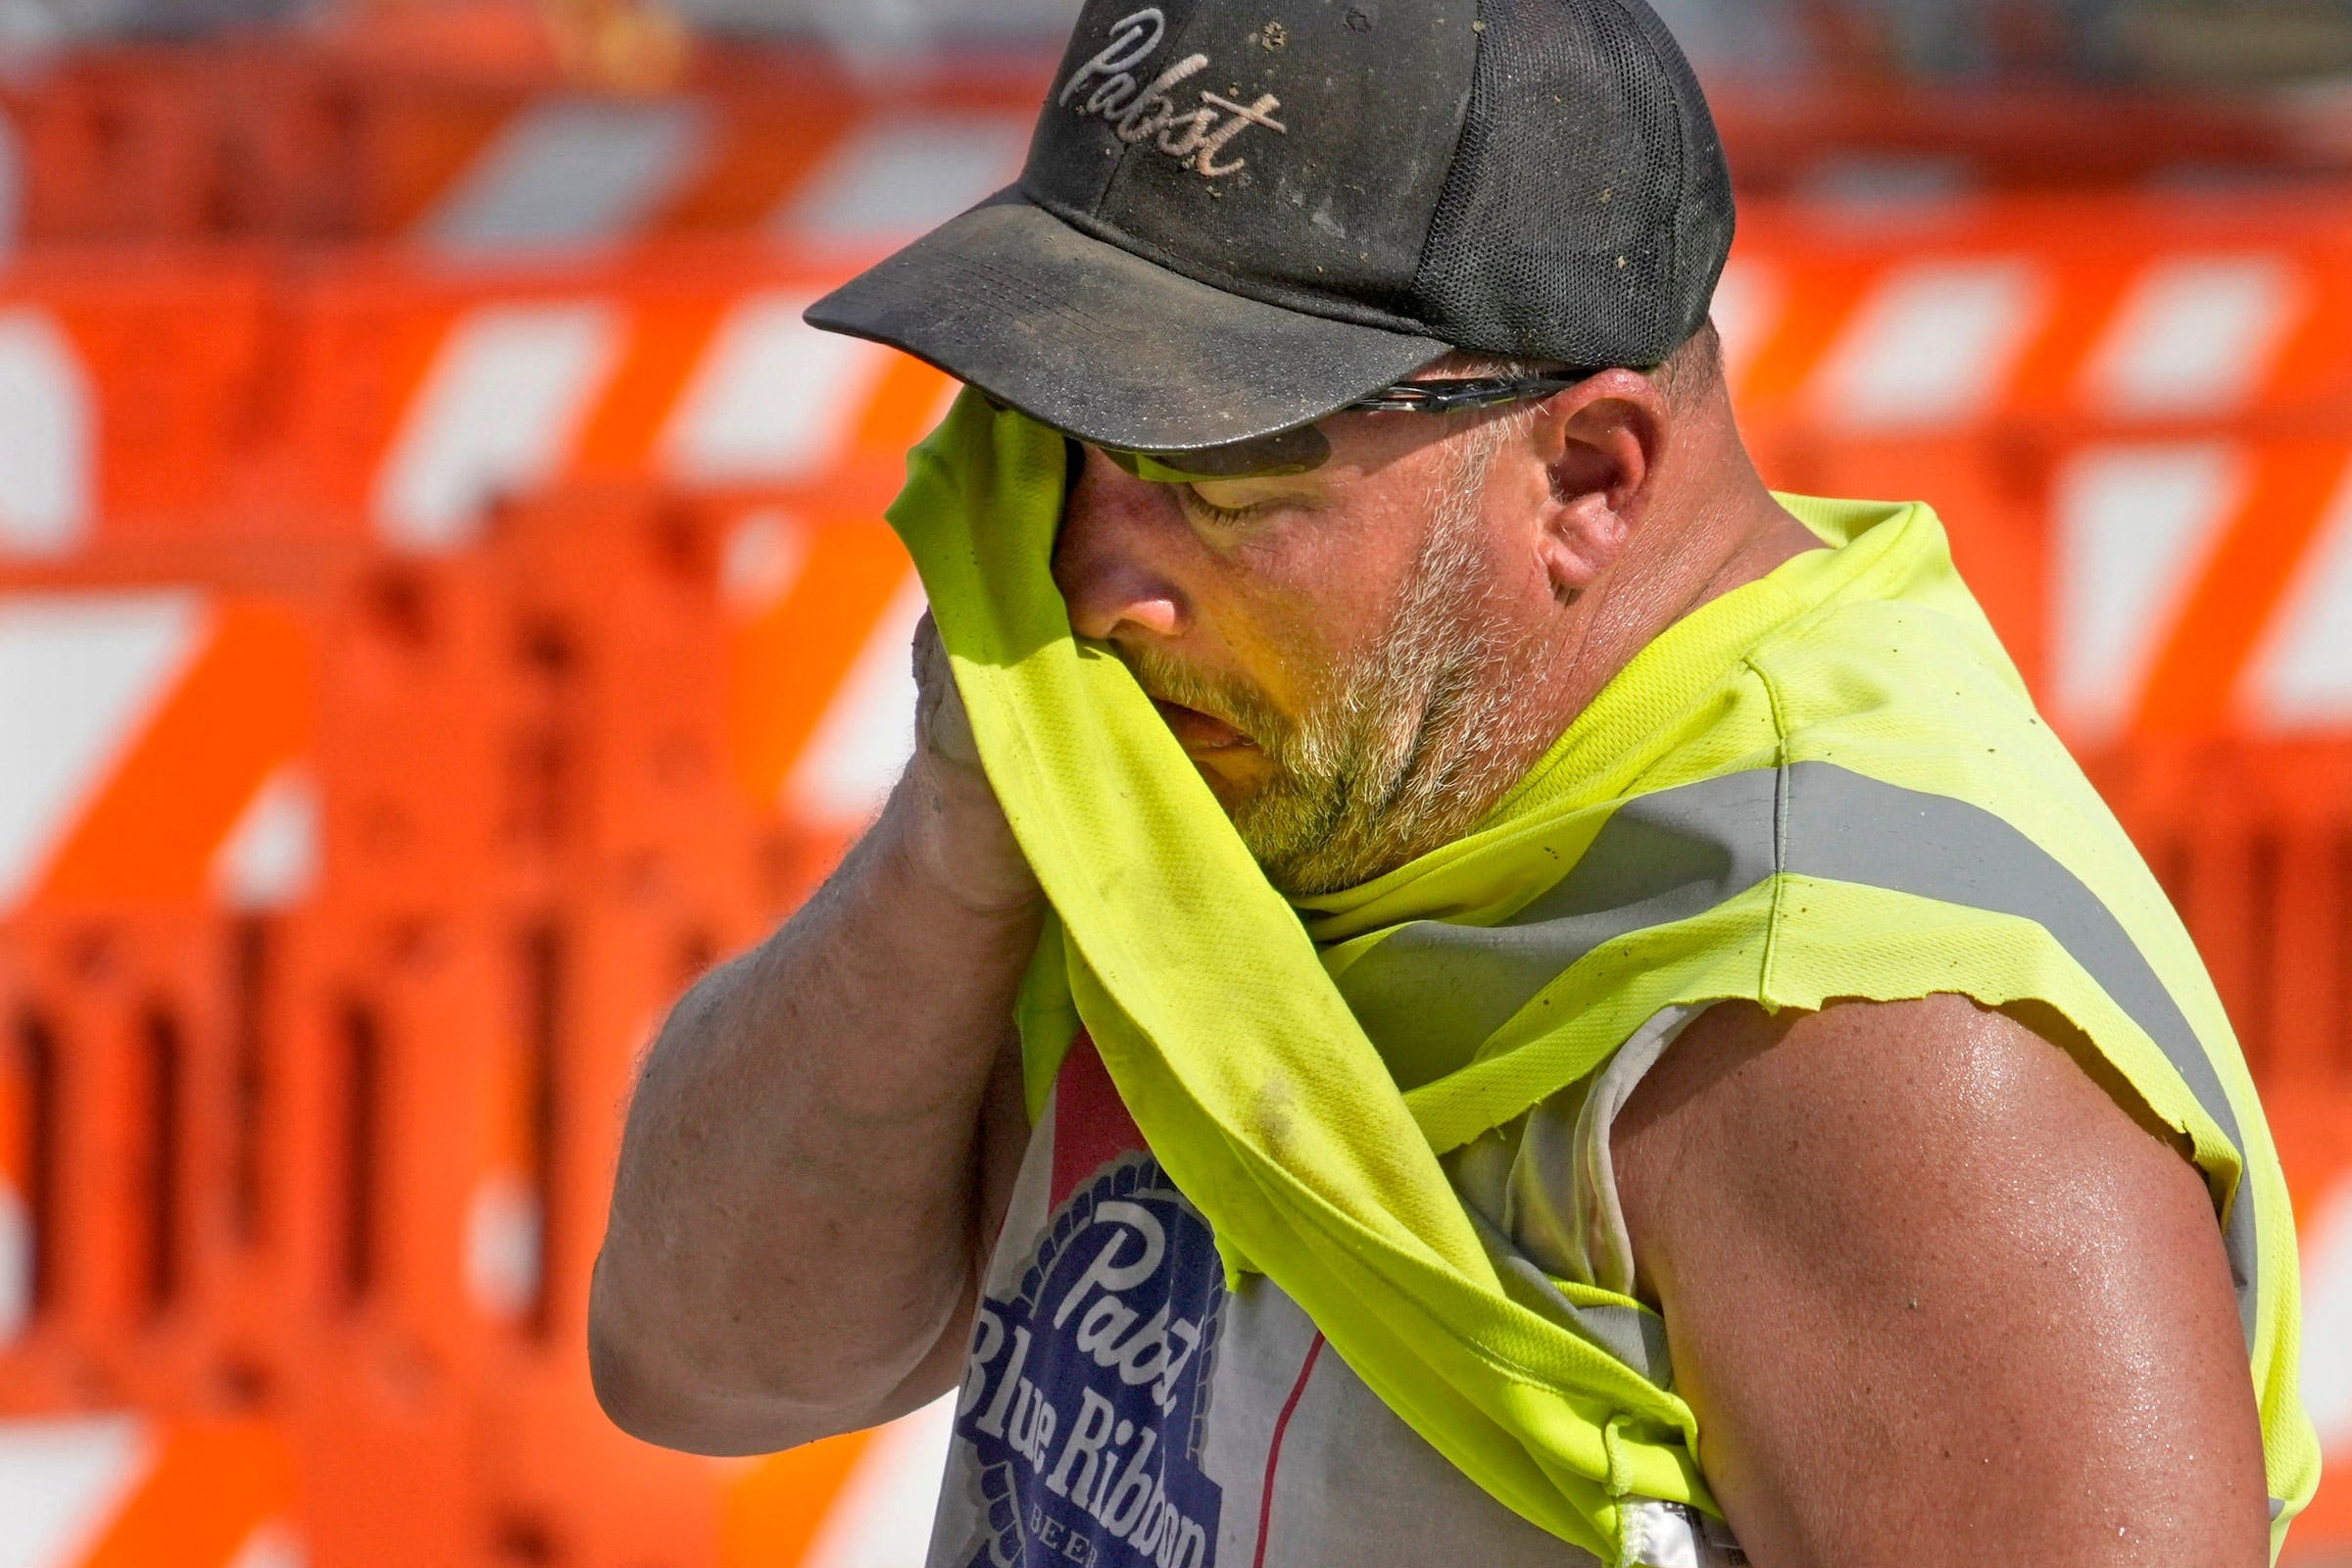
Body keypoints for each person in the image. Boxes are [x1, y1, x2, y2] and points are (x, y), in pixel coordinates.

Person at [586, 1, 2317, 1564]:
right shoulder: (1255, 754)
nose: (1096, 587)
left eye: (1220, 484)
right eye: (1057, 446)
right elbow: (702, 1364)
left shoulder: (1863, 1034)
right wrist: (959, 843)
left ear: (1589, 477)